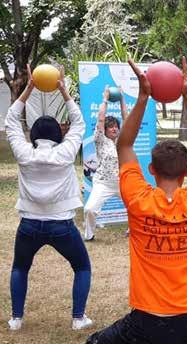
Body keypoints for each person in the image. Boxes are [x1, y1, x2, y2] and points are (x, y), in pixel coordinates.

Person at [86, 56, 187, 343]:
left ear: (151, 170)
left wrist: (143, 97)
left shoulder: (138, 198)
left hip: (145, 323)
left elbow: (124, 144)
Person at [5, 65, 93, 331]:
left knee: (20, 268)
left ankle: (16, 319)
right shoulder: (65, 153)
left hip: (29, 224)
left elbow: (10, 119)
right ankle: (78, 318)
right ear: (58, 134)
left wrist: (29, 88)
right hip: (61, 225)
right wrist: (64, 91)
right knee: (82, 268)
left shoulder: (24, 152)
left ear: (33, 134)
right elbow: (79, 123)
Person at [83, 86, 127, 241]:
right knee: (90, 209)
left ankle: (133, 230)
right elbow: (101, 118)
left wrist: (121, 99)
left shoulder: (123, 141)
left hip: (122, 182)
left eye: (116, 126)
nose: (114, 129)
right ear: (105, 130)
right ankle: (89, 235)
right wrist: (105, 99)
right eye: (111, 127)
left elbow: (126, 118)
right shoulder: (101, 140)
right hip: (103, 182)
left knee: (137, 207)